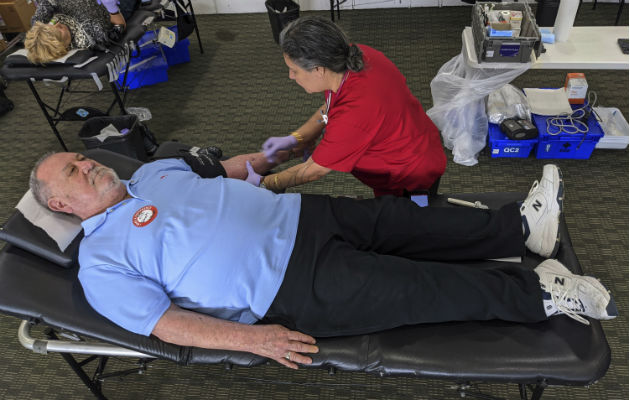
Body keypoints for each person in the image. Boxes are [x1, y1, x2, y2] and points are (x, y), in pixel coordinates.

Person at [29, 154, 618, 370]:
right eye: (74, 174)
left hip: (305, 215)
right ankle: (541, 292)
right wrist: (253, 341)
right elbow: (166, 324)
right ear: (60, 204)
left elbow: (220, 171)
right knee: (419, 289)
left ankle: (520, 225)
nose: (89, 166)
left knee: (411, 222)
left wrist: (263, 157)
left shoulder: (152, 171)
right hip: (293, 286)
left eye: (84, 158)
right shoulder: (100, 262)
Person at [254, 16, 447, 197]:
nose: (291, 76)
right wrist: (298, 137)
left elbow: (313, 170)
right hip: (410, 146)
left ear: (318, 70)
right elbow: (330, 108)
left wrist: (265, 183)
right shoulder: (353, 57)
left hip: (411, 179)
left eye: (294, 70)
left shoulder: (353, 116)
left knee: (409, 223)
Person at [24, 0, 136, 64]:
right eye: (59, 30)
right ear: (61, 46)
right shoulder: (88, 37)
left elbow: (45, 5)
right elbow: (118, 27)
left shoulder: (44, 25)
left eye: (51, 26)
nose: (57, 24)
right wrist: (111, 8)